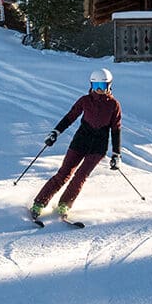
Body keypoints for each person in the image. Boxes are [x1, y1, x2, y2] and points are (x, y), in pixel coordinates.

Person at [28, 68, 123, 223]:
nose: (99, 90)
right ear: (91, 85)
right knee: (64, 173)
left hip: (98, 148)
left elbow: (116, 129)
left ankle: (64, 205)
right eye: (96, 85)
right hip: (80, 142)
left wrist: (116, 154)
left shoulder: (113, 105)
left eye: (103, 86)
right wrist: (55, 133)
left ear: (109, 86)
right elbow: (70, 117)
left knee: (80, 176)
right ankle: (39, 203)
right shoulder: (85, 101)